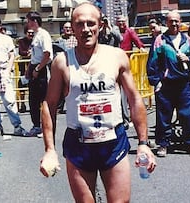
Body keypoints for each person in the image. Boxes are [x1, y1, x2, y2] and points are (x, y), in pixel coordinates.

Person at [39, 3, 156, 202]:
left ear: (100, 25)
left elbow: (134, 99)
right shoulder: (61, 62)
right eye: (80, 24)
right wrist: (50, 150)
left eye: (91, 23)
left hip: (113, 142)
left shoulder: (116, 56)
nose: (86, 29)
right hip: (79, 145)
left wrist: (143, 143)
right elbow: (49, 105)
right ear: (72, 28)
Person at [147, 11, 190, 157]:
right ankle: (163, 145)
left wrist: (188, 59)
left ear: (181, 21)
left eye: (177, 21)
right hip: (165, 86)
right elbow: (152, 63)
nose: (174, 24)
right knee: (164, 117)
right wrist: (155, 82)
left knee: (186, 115)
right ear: (166, 23)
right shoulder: (160, 40)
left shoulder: (188, 40)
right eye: (171, 21)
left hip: (183, 85)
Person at [25, 11, 53, 137]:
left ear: (34, 21)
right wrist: (29, 69)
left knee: (43, 100)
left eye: (29, 21)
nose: (27, 23)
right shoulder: (35, 35)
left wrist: (37, 69)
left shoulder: (43, 35)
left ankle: (45, 126)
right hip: (34, 67)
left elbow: (47, 55)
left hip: (41, 69)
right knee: (33, 100)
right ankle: (36, 126)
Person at [116, 15, 146, 130]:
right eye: (119, 22)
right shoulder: (113, 31)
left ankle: (129, 117)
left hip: (126, 65)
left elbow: (137, 41)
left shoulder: (130, 31)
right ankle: (124, 117)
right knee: (119, 93)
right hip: (115, 64)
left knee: (129, 92)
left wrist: (141, 47)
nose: (121, 23)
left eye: (123, 21)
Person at [55, 22, 78, 114]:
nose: (68, 29)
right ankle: (59, 107)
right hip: (63, 66)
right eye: (66, 28)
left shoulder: (76, 39)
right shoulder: (58, 40)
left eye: (69, 27)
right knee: (61, 87)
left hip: (74, 66)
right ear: (63, 29)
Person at [17, 26, 34, 113]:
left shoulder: (36, 40)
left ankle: (34, 104)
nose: (31, 34)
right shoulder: (21, 41)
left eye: (32, 33)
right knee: (21, 85)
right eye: (29, 32)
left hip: (33, 67)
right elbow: (21, 51)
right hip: (24, 67)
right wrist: (28, 53)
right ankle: (22, 103)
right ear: (25, 33)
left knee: (33, 86)